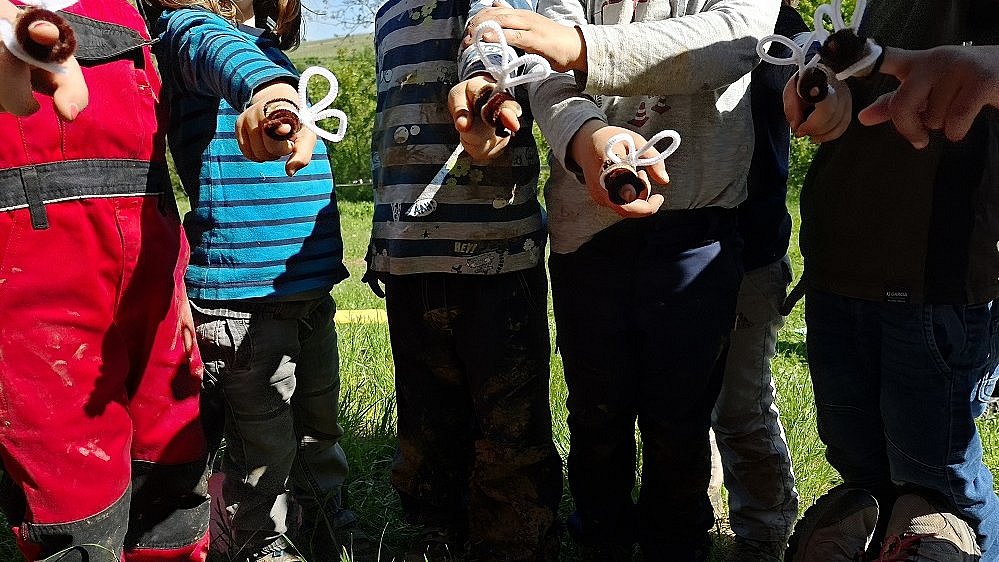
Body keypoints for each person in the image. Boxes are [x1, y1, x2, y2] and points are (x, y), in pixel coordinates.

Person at [463, 1, 778, 560]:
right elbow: (547, 79)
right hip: (585, 235)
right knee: (596, 411)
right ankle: (601, 537)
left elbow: (736, 39)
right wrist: (590, 139)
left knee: (680, 415)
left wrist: (582, 47)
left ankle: (676, 543)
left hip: (697, 228)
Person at [781, 1, 999, 560]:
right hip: (838, 267)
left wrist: (990, 68)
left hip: (936, 281)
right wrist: (830, 96)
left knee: (939, 486)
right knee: (862, 473)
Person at [151, 2, 363, 561]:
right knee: (262, 446)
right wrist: (270, 92)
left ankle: (323, 521)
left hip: (307, 291)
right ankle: (258, 543)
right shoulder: (187, 33)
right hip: (242, 302)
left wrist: (275, 82)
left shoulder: (269, 47)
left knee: (318, 424)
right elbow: (216, 50)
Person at [0, 0, 211, 560]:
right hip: (32, 288)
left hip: (151, 276)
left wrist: (177, 277)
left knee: (171, 461)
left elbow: (154, 166)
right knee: (67, 479)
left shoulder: (141, 11)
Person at [363, 0, 564, 559]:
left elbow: (489, 39)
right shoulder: (388, 14)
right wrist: (382, 239)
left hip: (497, 259)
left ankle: (515, 544)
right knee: (426, 422)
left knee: (509, 430)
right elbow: (390, 135)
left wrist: (481, 82)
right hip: (410, 260)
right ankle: (436, 536)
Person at [709, 2, 805, 561]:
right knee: (683, 397)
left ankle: (765, 531)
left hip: (753, 247)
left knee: (740, 404)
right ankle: (697, 505)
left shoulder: (782, 28)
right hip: (676, 244)